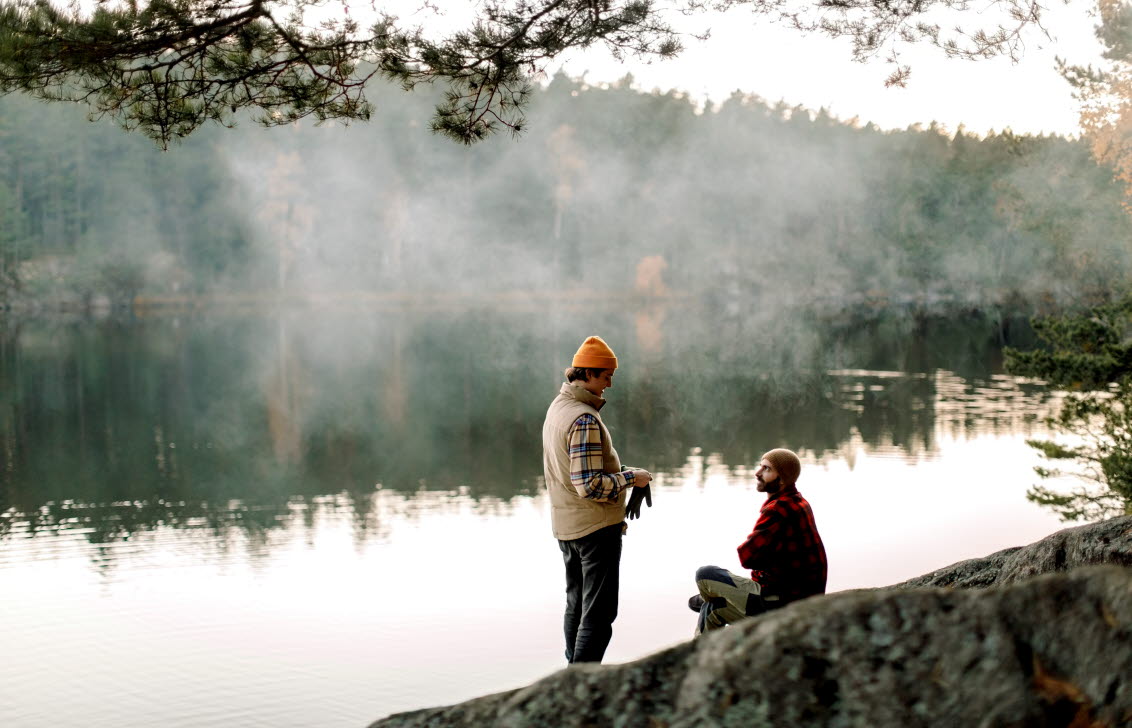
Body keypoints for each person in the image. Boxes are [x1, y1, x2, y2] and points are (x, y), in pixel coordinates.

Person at [542, 335, 653, 663]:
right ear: (588, 373)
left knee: (575, 606)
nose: (609, 384)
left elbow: (572, 470)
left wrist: (625, 472)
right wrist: (634, 478)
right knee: (598, 615)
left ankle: (570, 680)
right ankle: (582, 685)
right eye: (606, 376)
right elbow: (589, 485)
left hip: (567, 527)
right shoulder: (584, 418)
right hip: (595, 531)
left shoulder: (558, 407)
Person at [689, 448, 826, 635]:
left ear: (782, 478)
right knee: (714, 610)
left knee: (705, 575)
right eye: (760, 466)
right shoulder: (799, 502)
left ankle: (708, 598)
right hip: (797, 600)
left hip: (780, 602)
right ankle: (704, 652)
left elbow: (747, 557)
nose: (757, 473)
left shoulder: (779, 509)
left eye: (767, 469)